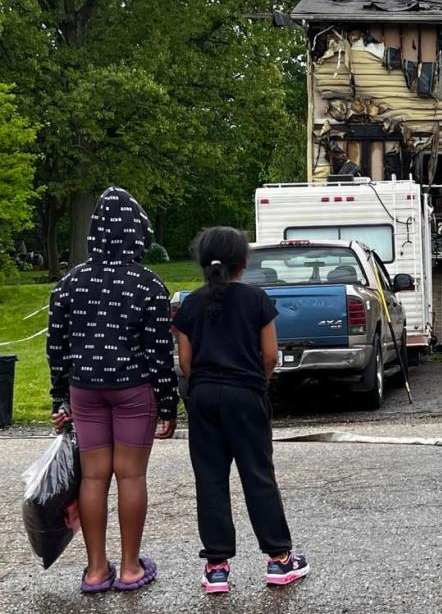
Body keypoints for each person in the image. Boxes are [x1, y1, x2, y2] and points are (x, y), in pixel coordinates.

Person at [47, 187, 178, 594]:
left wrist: (60, 398)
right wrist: (168, 404)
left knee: (93, 478)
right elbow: (159, 351)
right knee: (131, 475)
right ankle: (130, 568)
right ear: (136, 233)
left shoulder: (69, 283)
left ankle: (94, 570)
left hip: (84, 389)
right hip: (132, 387)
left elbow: (56, 346)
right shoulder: (148, 284)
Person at [173, 226, 308, 594]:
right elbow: (270, 355)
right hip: (246, 394)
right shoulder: (256, 300)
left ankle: (217, 567)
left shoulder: (189, 305)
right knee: (257, 474)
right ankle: (279, 560)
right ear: (243, 262)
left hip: (203, 397)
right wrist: (258, 381)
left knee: (210, 479)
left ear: (202, 262)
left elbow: (186, 362)